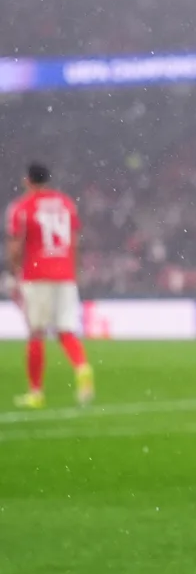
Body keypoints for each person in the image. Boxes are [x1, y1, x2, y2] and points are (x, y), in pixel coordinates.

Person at [7, 163, 93, 408]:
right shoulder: (66, 203)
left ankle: (36, 393)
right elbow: (74, 241)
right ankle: (82, 367)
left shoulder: (22, 207)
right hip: (65, 274)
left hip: (36, 275)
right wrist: (73, 271)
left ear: (27, 180)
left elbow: (15, 245)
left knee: (36, 332)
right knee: (66, 331)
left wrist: (14, 274)